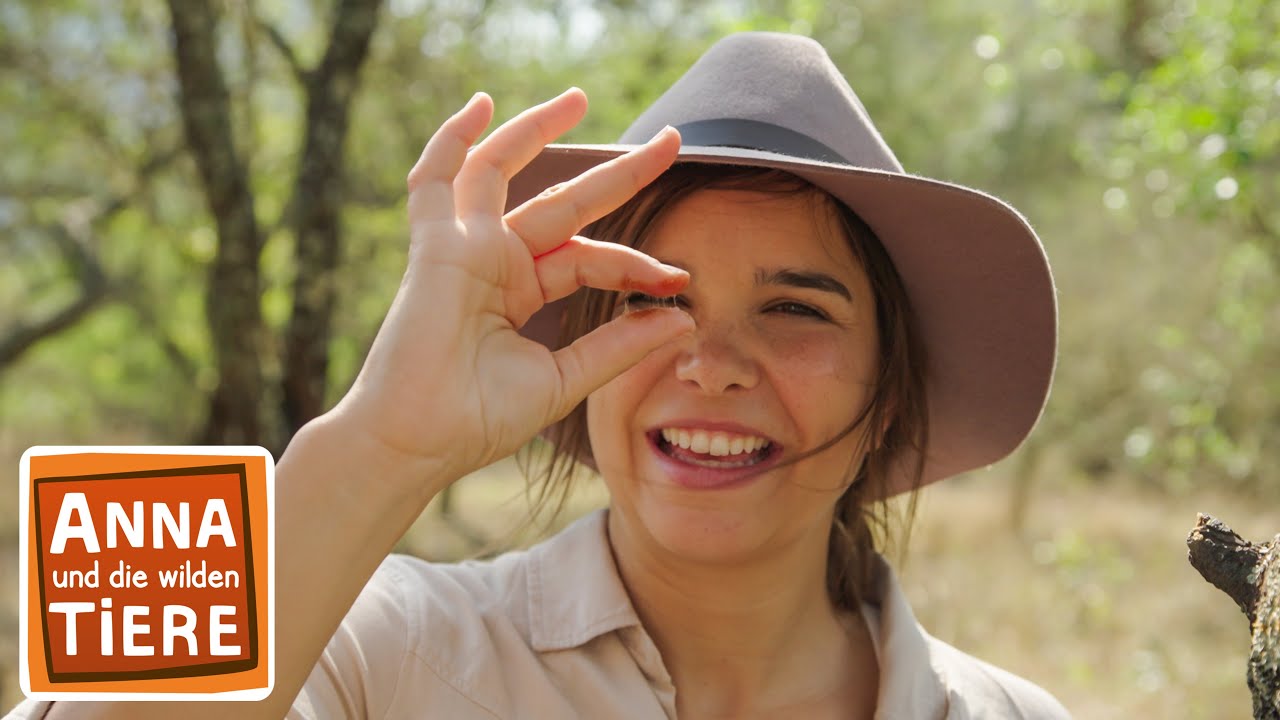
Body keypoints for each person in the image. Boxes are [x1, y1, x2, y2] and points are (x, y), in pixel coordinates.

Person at [9, 32, 1068, 719]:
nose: (711, 365)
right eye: (655, 296)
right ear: (582, 351)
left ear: (887, 394)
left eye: (793, 310)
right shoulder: (381, 642)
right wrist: (376, 444)